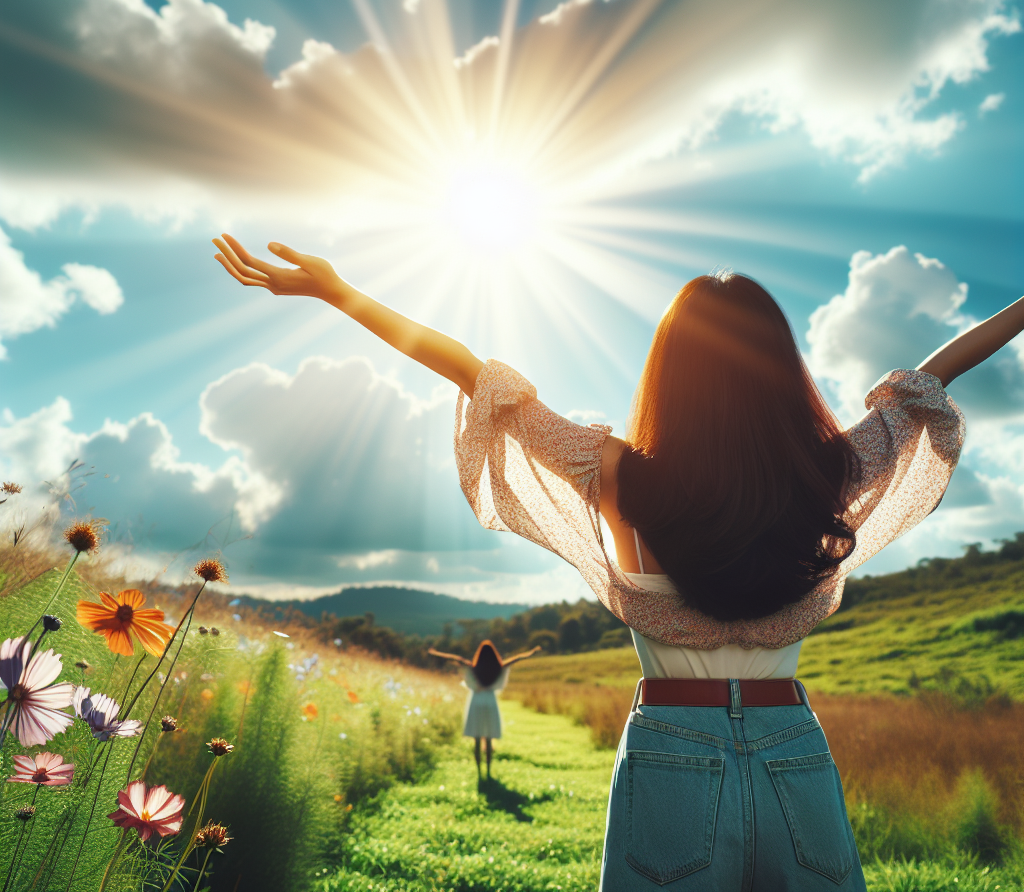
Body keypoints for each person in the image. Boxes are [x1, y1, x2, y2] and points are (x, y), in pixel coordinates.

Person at [213, 233, 1023, 891]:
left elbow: (471, 370)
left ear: (668, 371)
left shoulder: (614, 475)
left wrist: (337, 293)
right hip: (793, 746)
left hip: (672, 741)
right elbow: (933, 376)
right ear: (782, 368)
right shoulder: (828, 472)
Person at [428, 640, 542, 778]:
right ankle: (488, 770)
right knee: (488, 738)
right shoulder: (499, 668)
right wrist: (531, 652)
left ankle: (479, 771)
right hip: (490, 700)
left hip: (476, 701)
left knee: (476, 739)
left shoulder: (472, 667)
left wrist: (435, 653)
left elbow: (456, 658)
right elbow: (516, 659)